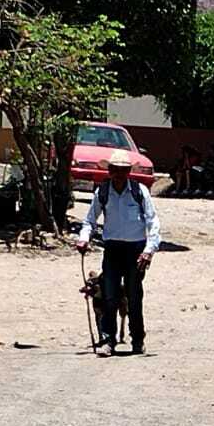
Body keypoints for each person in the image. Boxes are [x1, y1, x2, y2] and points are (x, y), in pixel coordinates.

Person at [77, 149, 160, 356]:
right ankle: (108, 340)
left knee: (133, 296)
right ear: (110, 171)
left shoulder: (139, 191)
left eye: (123, 170)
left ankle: (138, 340)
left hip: (136, 250)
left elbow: (152, 221)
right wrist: (84, 238)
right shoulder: (103, 192)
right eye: (115, 170)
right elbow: (90, 220)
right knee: (109, 296)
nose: (119, 174)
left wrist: (149, 250)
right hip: (112, 249)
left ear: (129, 171)